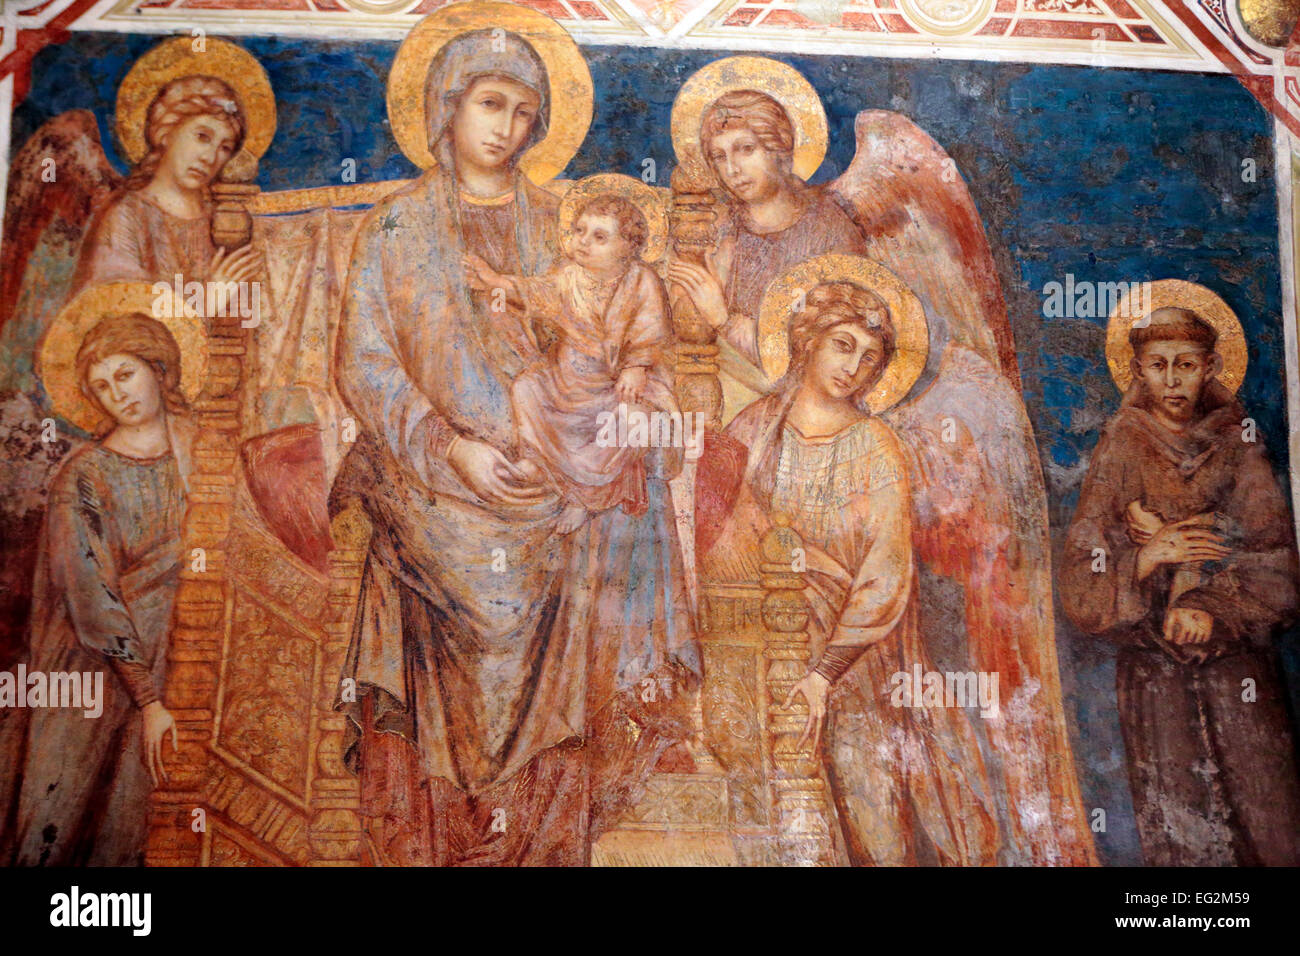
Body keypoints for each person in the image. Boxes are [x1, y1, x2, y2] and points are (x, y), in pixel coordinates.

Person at [333, 28, 695, 867]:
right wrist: (450, 450)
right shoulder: (394, 229)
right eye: (490, 104)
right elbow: (365, 364)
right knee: (421, 554)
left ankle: (539, 845)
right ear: (447, 109)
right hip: (432, 483)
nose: (507, 127)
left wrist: (624, 413)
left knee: (601, 529)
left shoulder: (570, 225)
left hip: (553, 477)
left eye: (526, 112)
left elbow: (623, 342)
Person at [699, 281, 998, 865]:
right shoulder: (752, 432)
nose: (853, 368)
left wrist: (824, 674)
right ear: (807, 342)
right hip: (757, 656)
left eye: (870, 358)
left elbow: (886, 574)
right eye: (842, 345)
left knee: (873, 820)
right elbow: (710, 545)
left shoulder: (877, 446)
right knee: (773, 823)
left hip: (854, 667)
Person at [1060, 306, 1300, 865]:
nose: (1172, 380)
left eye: (1187, 365)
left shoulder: (1239, 442)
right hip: (1154, 670)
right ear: (1138, 370)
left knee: (1268, 816)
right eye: (1158, 365)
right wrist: (1150, 555)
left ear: (1211, 367)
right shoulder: (1121, 444)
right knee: (1174, 822)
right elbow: (1081, 566)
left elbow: (1278, 559)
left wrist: (1206, 599)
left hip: (1237, 666)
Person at [0, 312, 195, 866]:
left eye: (126, 375)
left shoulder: (206, 451)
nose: (119, 396)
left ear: (159, 369)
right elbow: (92, 595)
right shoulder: (83, 476)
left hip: (190, 658)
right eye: (103, 387)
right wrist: (149, 700)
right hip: (108, 677)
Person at [464, 192, 677, 532]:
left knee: (631, 421)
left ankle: (586, 495)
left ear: (628, 246)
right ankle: (539, 464)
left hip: (622, 385)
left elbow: (651, 328)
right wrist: (495, 282)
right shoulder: (568, 277)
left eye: (599, 237)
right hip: (567, 382)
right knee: (527, 388)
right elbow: (534, 291)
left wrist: (636, 366)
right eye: (579, 231)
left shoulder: (642, 280)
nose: (583, 243)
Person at [667, 90, 866, 412]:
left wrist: (723, 320)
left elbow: (829, 354)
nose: (732, 169)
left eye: (746, 149)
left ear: (779, 148)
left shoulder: (830, 231)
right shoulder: (713, 227)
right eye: (719, 157)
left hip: (793, 406)